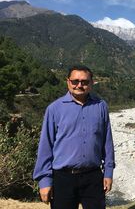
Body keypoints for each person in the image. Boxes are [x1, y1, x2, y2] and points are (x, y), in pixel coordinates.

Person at [33, 65, 115, 209]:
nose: (79, 85)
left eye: (84, 82)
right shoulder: (54, 109)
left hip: (93, 177)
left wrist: (108, 172)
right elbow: (46, 146)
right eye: (75, 81)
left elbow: (107, 142)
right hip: (63, 178)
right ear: (68, 82)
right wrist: (44, 181)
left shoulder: (101, 106)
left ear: (92, 83)